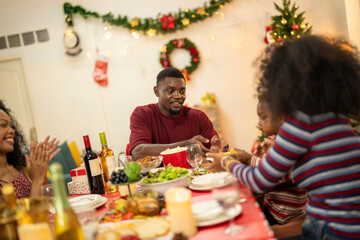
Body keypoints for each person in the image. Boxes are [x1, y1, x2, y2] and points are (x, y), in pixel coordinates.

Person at [208, 35, 360, 239]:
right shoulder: (335, 116)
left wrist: (225, 162)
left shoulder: (299, 122)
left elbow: (259, 181)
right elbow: (321, 161)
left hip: (330, 229)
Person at [129, 67, 228, 161]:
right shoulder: (143, 114)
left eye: (182, 91)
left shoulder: (198, 117)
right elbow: (137, 153)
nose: (178, 96)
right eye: (171, 91)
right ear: (156, 91)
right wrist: (186, 145)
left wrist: (218, 149)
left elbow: (213, 151)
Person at [0, 100, 60, 199]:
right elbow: (30, 214)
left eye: (11, 126)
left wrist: (41, 174)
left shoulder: (18, 168)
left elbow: (50, 202)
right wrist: (37, 180)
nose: (12, 131)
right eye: (3, 125)